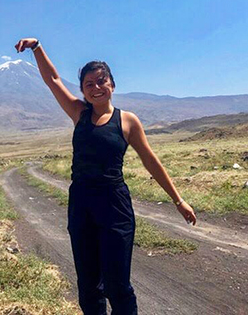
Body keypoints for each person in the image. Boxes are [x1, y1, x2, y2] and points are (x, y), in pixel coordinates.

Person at [14, 38, 197, 315]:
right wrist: (37, 47)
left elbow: (150, 160)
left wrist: (178, 200)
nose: (96, 88)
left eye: (102, 81)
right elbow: (52, 79)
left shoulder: (127, 121)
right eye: (89, 84)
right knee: (88, 286)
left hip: (114, 206)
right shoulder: (79, 113)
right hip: (82, 204)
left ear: (112, 84)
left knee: (117, 285)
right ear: (83, 91)